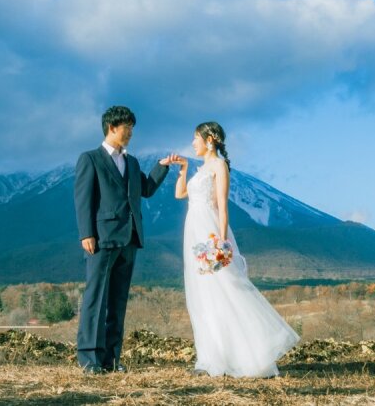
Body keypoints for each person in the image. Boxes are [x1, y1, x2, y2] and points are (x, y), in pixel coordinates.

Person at [174, 121, 300, 377]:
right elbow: (180, 194)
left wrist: (220, 242)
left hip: (208, 230)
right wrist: (184, 169)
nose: (193, 143)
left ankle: (249, 352)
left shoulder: (219, 166)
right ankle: (210, 358)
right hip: (193, 232)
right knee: (203, 295)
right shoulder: (200, 168)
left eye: (196, 138)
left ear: (209, 139)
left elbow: (222, 205)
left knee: (225, 289)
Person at [74, 105, 181, 373]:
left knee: (118, 302)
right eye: (128, 127)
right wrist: (86, 232)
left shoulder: (132, 162)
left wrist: (161, 166)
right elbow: (83, 199)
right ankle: (89, 360)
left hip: (130, 239)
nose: (131, 132)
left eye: (133, 127)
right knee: (95, 300)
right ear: (112, 127)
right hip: (101, 240)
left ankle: (111, 360)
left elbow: (145, 189)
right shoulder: (90, 158)